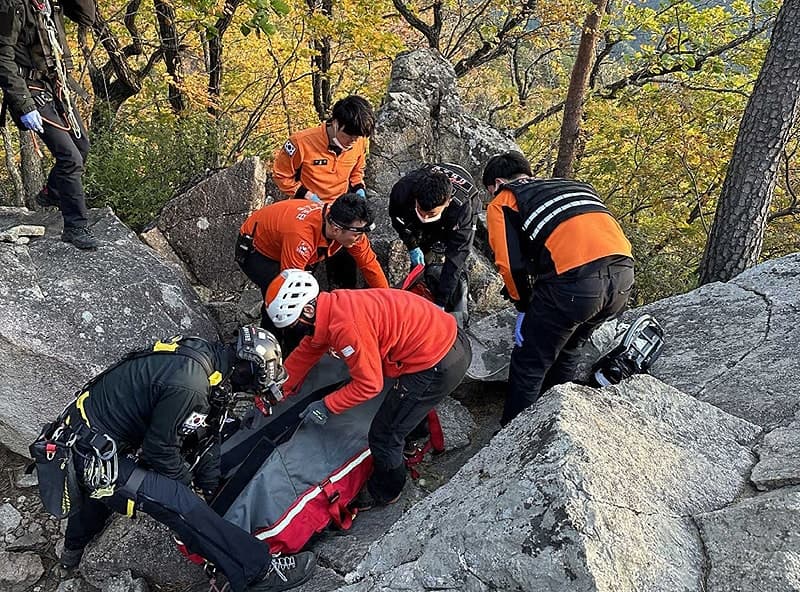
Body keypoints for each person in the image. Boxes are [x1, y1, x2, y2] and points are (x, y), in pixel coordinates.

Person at [45, 326, 316, 592]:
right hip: (90, 453)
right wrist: (188, 490)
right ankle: (259, 570)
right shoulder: (191, 385)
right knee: (178, 502)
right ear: (246, 370)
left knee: (113, 489)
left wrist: (210, 487)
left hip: (88, 438)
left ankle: (72, 550)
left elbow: (208, 433)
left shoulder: (207, 360)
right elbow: (158, 449)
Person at [263, 269, 472, 509]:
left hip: (438, 362)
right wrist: (280, 386)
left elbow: (369, 385)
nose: (294, 331)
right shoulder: (333, 305)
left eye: (293, 324)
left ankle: (386, 492)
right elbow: (309, 348)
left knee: (383, 435)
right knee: (405, 406)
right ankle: (416, 436)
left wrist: (327, 405)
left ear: (308, 311)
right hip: (446, 339)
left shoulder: (346, 327)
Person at [482, 152, 635, 426]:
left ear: (498, 182)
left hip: (576, 286)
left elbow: (508, 264)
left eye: (490, 191)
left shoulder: (504, 199)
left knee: (530, 362)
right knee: (568, 350)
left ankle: (513, 440)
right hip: (623, 278)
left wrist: (522, 306)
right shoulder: (576, 186)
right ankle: (555, 424)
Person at [0, 0, 99, 250]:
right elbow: (2, 55)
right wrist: (23, 104)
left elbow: (88, 17)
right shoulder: (12, 5)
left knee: (82, 147)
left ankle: (53, 191)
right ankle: (76, 226)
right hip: (31, 91)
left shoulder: (52, 1)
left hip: (57, 86)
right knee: (70, 158)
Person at [236, 193, 389, 351]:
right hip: (259, 252)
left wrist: (388, 302)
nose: (360, 239)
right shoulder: (301, 235)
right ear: (336, 229)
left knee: (308, 307)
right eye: (357, 235)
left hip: (300, 249)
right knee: (282, 304)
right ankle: (270, 350)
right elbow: (291, 290)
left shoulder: (349, 227)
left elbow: (369, 265)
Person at [272, 95, 374, 288]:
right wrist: (307, 195)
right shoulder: (300, 143)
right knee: (299, 274)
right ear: (335, 124)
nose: (353, 140)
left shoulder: (358, 141)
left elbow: (356, 171)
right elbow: (280, 175)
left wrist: (359, 188)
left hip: (341, 213)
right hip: (306, 215)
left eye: (357, 137)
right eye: (349, 135)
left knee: (345, 272)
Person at [389, 163, 479, 324]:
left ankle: (454, 300)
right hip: (422, 206)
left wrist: (441, 303)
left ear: (448, 202)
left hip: (451, 217)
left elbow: (457, 255)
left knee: (451, 268)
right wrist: (412, 245)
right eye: (421, 210)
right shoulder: (403, 190)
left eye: (430, 213)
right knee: (423, 254)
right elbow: (397, 219)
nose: (425, 216)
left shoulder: (462, 210)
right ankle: (420, 293)